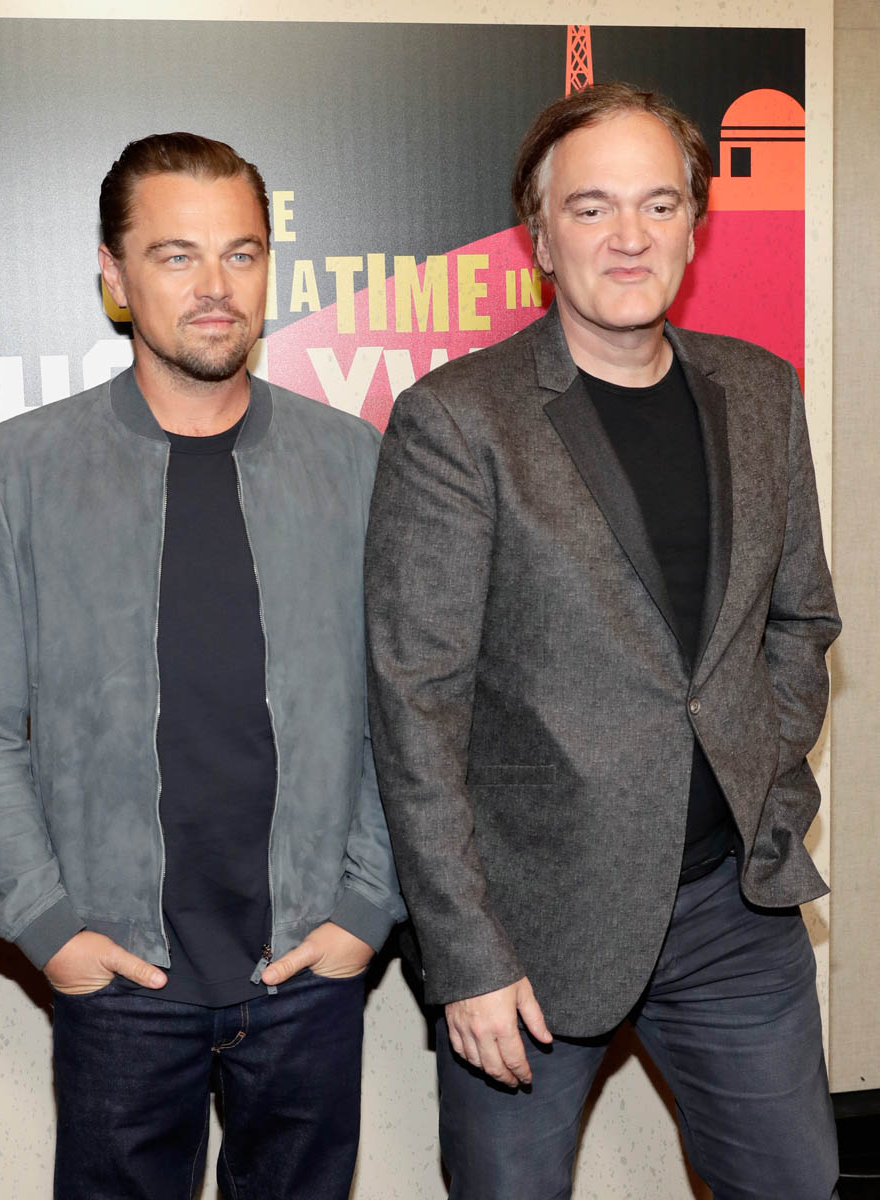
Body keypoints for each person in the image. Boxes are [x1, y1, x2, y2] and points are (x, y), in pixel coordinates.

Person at [365, 83, 840, 1198]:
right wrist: (466, 956)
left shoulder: (760, 392)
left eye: (657, 203)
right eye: (590, 208)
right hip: (528, 928)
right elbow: (414, 706)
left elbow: (799, 617)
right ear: (538, 236)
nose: (629, 235)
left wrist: (758, 767)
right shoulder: (458, 420)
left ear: (693, 225)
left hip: (732, 908)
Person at [0, 131, 404, 1200]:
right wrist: (50, 930)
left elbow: (404, 710)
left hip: (308, 971)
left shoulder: (354, 462)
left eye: (240, 254)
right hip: (118, 979)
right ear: (114, 274)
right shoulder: (21, 469)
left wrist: (365, 906)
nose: (214, 288)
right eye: (175, 255)